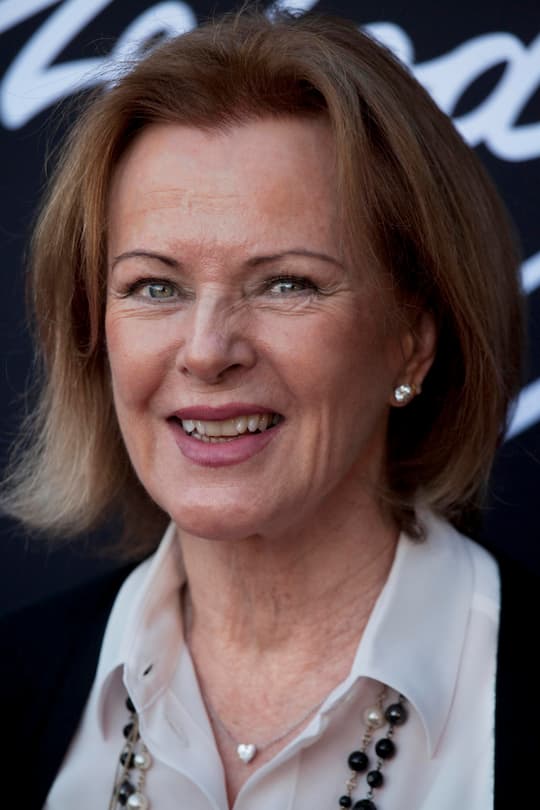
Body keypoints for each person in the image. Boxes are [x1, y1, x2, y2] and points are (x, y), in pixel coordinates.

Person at [0, 8, 536, 810]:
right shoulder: (13, 678)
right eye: (155, 287)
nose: (209, 349)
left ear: (410, 343)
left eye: (287, 283)